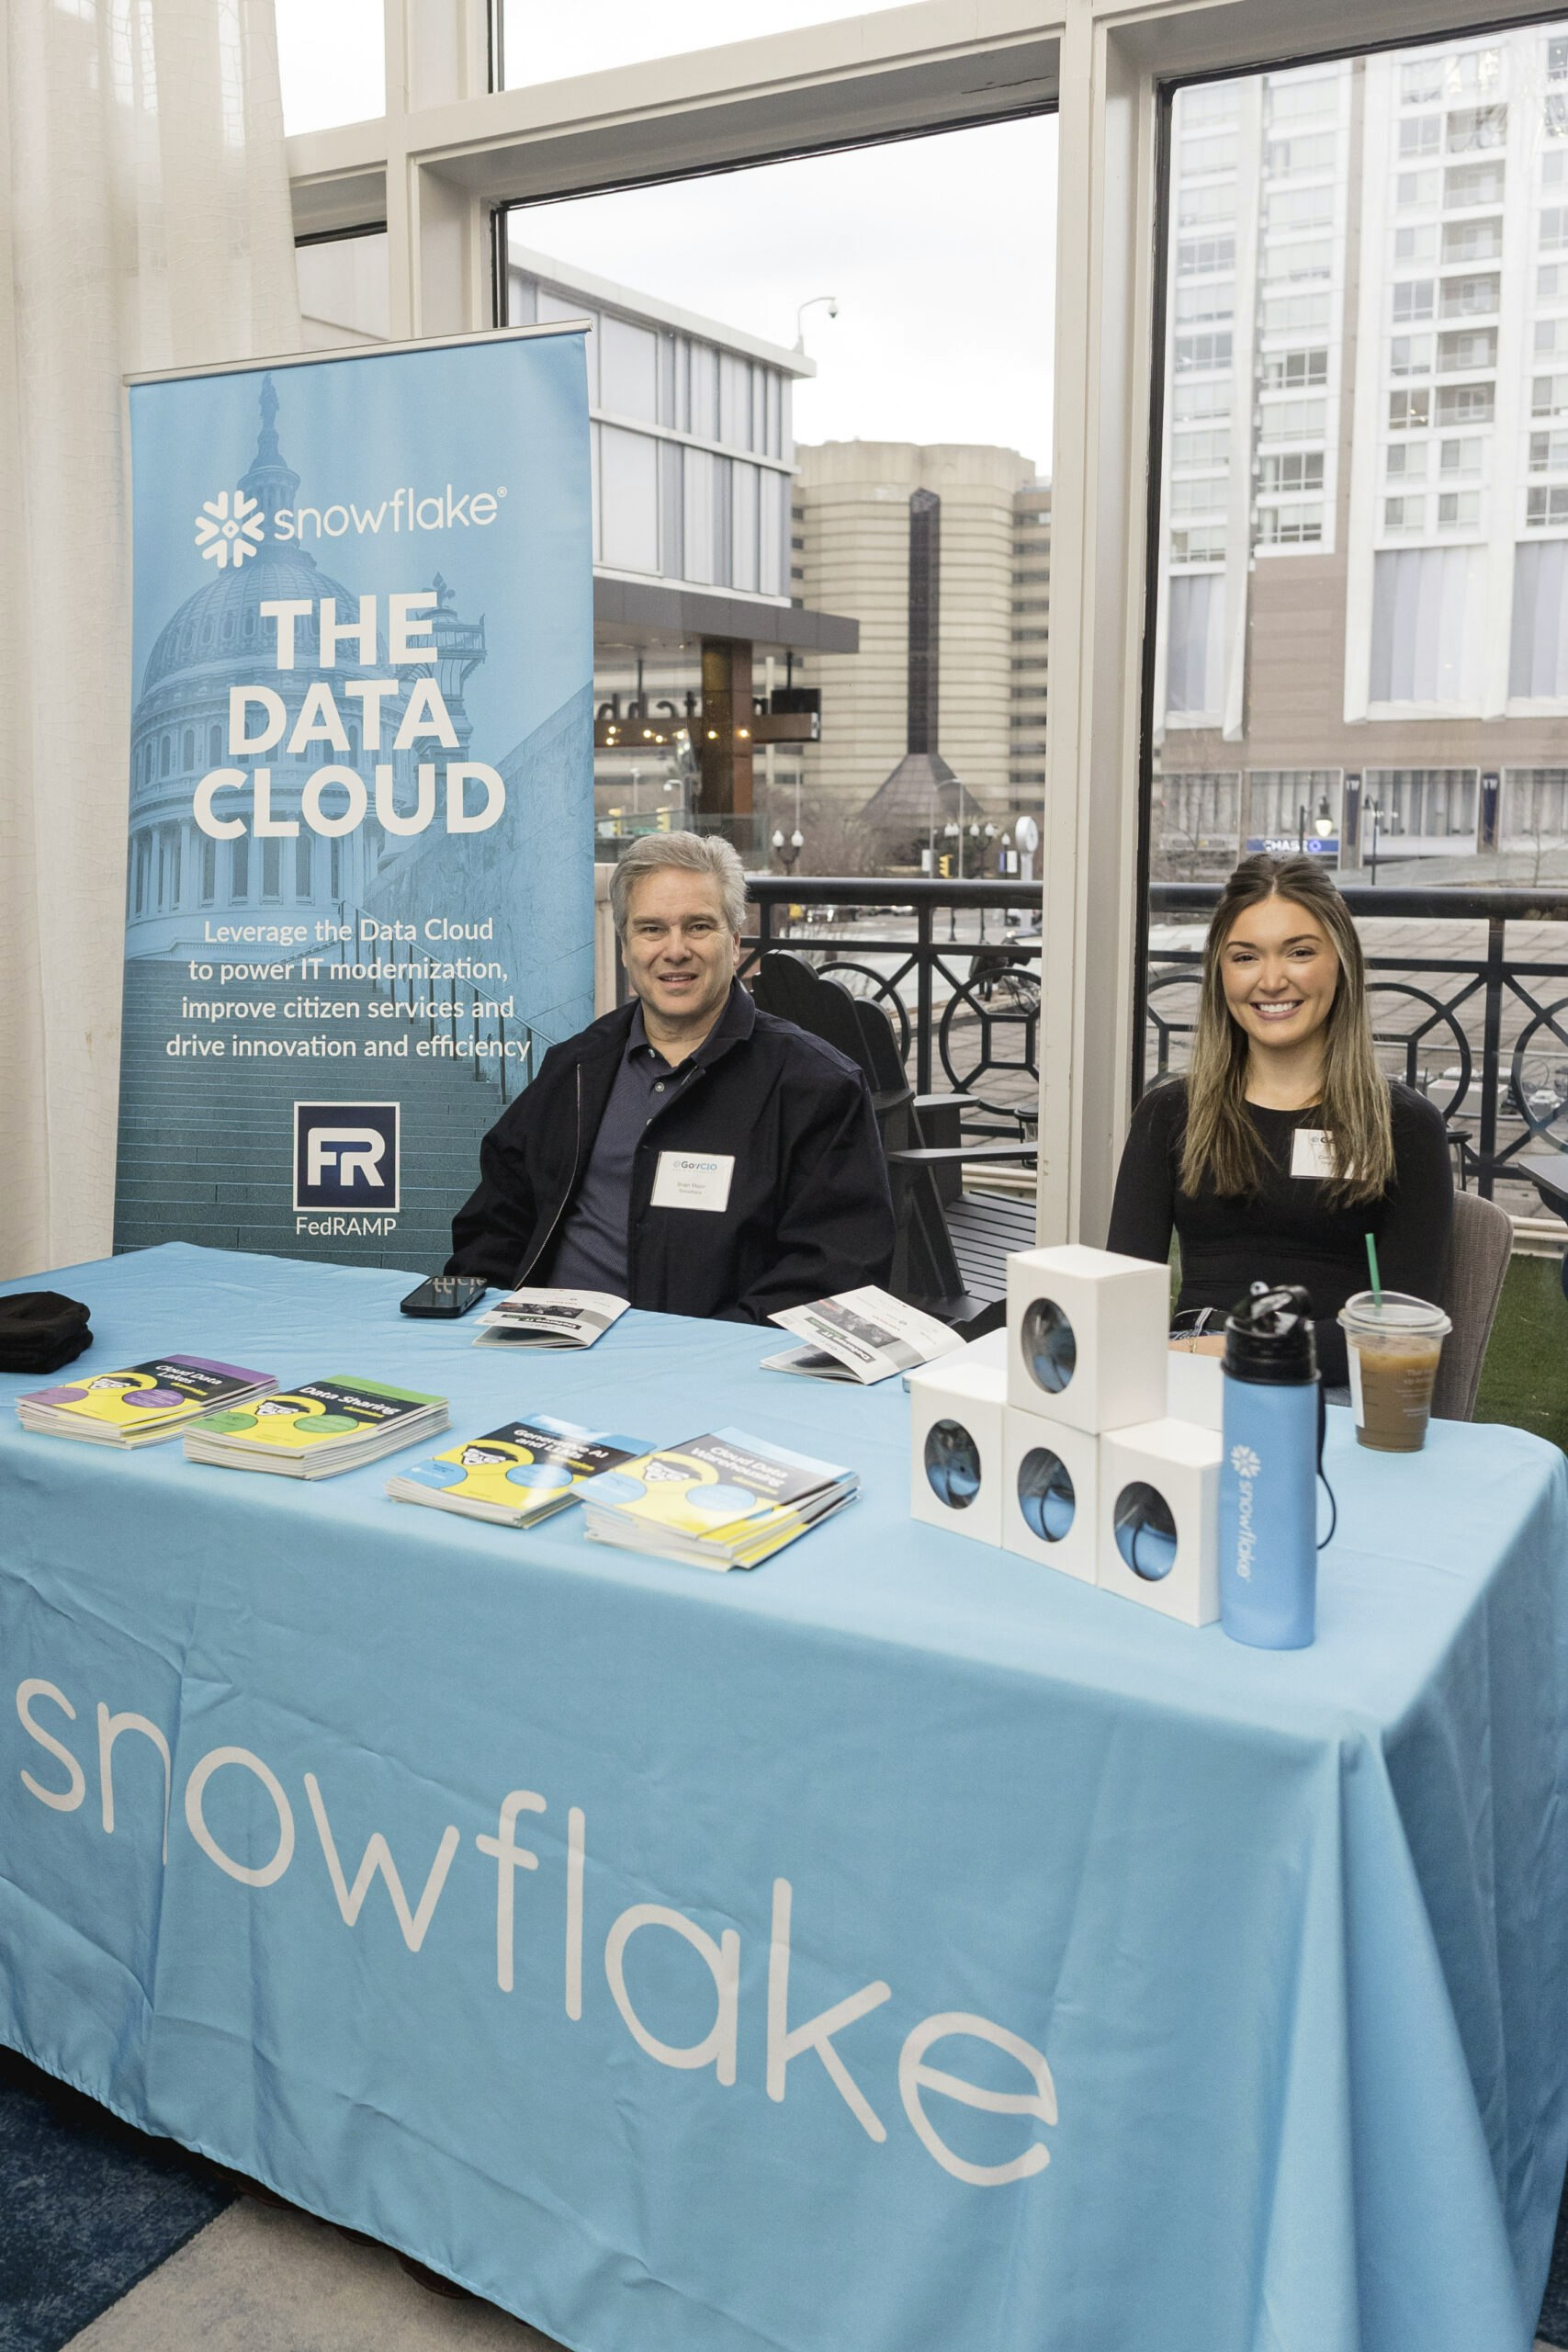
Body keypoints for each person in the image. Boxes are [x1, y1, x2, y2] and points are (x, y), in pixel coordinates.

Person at [447, 832, 895, 1322]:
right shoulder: (575, 1069)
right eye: (651, 929)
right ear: (625, 948)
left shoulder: (817, 1087)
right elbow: (493, 1224)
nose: (675, 950)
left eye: (698, 926)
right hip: (544, 1344)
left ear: (735, 941)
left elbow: (836, 1271)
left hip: (714, 1359)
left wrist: (694, 1353)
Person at [1106, 854, 1453, 1386]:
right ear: (1220, 973)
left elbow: (1403, 1332)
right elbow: (1121, 1301)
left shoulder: (1403, 1127)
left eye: (1299, 952)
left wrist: (1233, 1349)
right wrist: (1183, 1355)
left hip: (1325, 1387)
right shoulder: (1169, 1114)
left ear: (1341, 961)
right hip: (1187, 1377)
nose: (1271, 980)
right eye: (1245, 957)